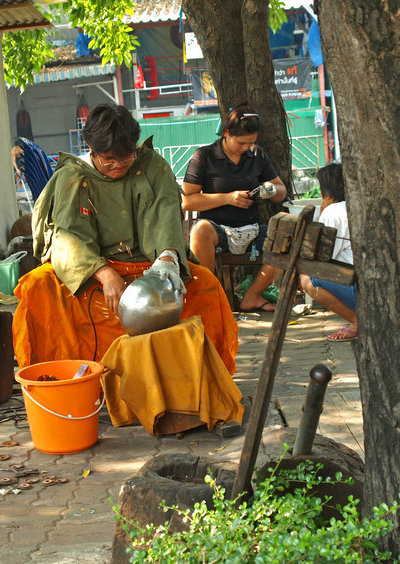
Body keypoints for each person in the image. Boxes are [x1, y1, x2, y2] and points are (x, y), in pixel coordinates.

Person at [13, 103, 239, 373]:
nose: (119, 165)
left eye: (126, 157)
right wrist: (104, 274)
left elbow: (166, 212)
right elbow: (68, 238)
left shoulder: (151, 165)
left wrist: (168, 257)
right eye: (109, 159)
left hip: (149, 264)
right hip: (92, 270)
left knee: (206, 285)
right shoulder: (72, 177)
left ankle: (201, 378)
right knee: (37, 288)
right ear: (92, 149)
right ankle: (65, 380)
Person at [182, 101, 287, 312]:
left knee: (286, 237)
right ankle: (206, 299)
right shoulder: (204, 156)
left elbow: (281, 191)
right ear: (226, 133)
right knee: (200, 230)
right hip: (217, 230)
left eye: (251, 143)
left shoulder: (257, 155)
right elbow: (187, 201)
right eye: (241, 143)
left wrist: (270, 190)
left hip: (252, 228)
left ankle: (252, 295)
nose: (246, 148)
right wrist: (228, 198)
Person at [298, 162, 357, 341]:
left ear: (326, 191)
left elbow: (322, 257)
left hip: (357, 286)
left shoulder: (333, 211)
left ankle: (357, 322)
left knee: (307, 280)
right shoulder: (357, 205)